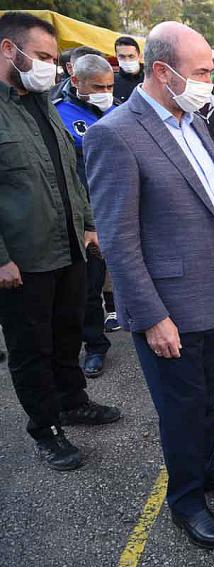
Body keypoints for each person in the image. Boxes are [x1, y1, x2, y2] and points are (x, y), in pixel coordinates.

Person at [84, 21, 214, 550]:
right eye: (201, 72)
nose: (210, 83)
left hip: (210, 293)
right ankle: (186, 500)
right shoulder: (115, 134)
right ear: (163, 71)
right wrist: (152, 316)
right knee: (180, 409)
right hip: (168, 308)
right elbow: (118, 241)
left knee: (205, 397)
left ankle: (206, 466)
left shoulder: (192, 119)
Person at [0, 12, 122, 471]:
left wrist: (88, 224)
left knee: (69, 330)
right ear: (9, 50)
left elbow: (71, 172)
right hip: (23, 259)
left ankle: (73, 401)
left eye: (54, 58)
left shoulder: (43, 103)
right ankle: (45, 428)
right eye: (43, 56)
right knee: (31, 348)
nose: (51, 66)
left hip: (68, 245)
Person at [54, 54, 115, 379]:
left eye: (109, 87)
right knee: (88, 285)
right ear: (76, 81)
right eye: (97, 87)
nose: (105, 93)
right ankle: (94, 345)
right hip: (83, 216)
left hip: (117, 209)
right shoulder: (57, 113)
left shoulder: (117, 109)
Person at [113, 35, 144, 104]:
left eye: (131, 56)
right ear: (116, 56)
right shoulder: (112, 82)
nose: (127, 60)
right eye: (122, 56)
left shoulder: (150, 79)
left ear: (139, 56)